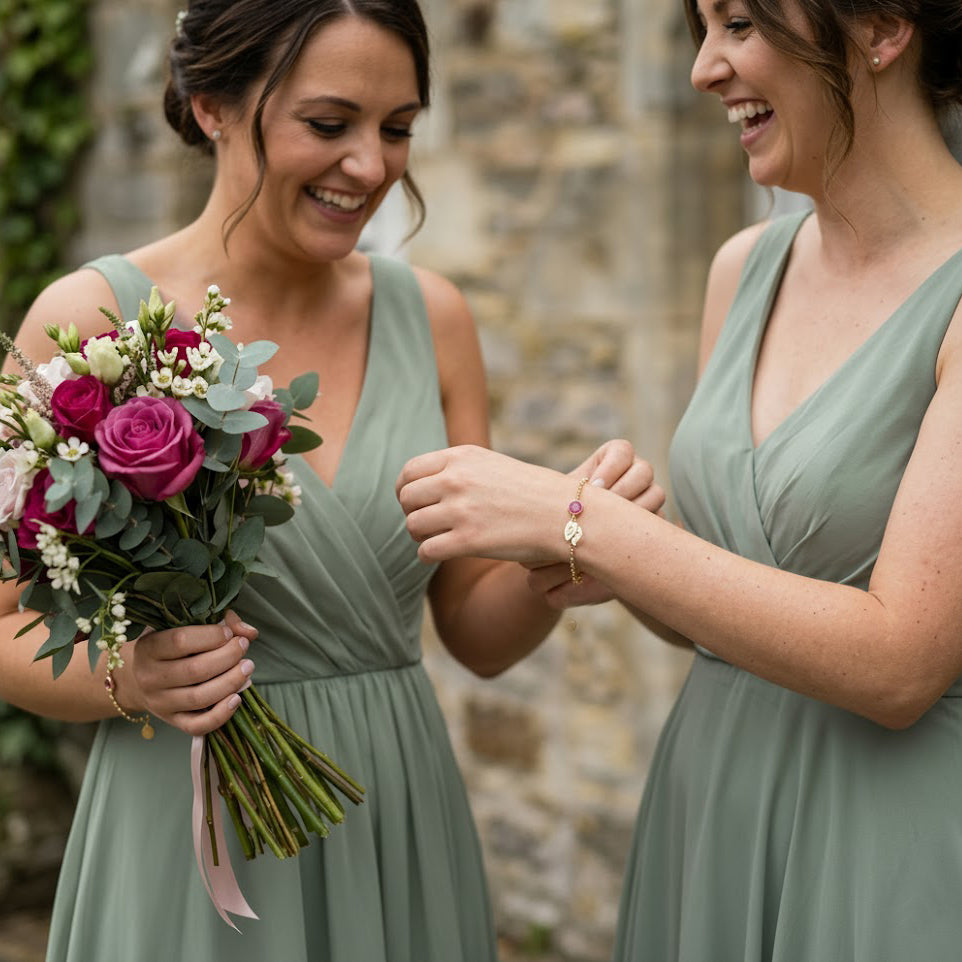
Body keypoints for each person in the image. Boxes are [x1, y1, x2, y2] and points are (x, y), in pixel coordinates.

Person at [0, 2, 663, 960]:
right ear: (211, 103)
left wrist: (557, 567)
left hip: (394, 805)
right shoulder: (93, 315)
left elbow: (472, 632)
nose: (372, 167)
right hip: (191, 827)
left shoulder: (432, 317)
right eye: (329, 124)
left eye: (397, 129)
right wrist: (131, 675)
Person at [396, 0, 962, 958]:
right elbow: (728, 594)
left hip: (884, 832)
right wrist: (612, 556)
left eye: (739, 22)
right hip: (709, 799)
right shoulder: (744, 268)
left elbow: (899, 662)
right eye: (702, 27)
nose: (704, 68)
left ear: (878, 25)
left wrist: (584, 523)